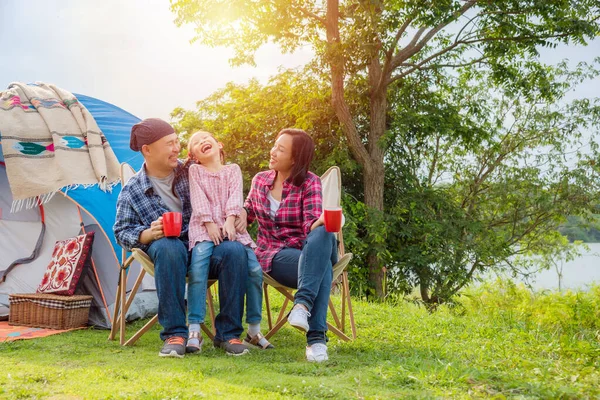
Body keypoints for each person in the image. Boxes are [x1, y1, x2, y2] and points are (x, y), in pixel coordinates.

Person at [114, 118, 250, 358]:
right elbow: (122, 232)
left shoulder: (193, 170)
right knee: (168, 246)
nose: (177, 148)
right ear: (147, 150)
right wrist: (148, 233)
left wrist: (242, 211)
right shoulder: (133, 189)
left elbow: (227, 183)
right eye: (169, 144)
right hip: (169, 256)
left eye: (177, 141)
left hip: (205, 246)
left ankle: (228, 334)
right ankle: (175, 333)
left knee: (235, 251)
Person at [238, 128, 338, 362]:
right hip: (272, 256)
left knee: (324, 231)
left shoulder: (310, 182)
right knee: (322, 270)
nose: (272, 151)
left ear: (295, 158)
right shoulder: (260, 180)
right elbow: (248, 211)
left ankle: (302, 305)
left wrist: (324, 221)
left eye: (280, 149)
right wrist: (240, 213)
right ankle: (315, 340)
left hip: (305, 249)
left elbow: (310, 226)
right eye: (275, 145)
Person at [185, 130, 273, 352]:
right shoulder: (195, 171)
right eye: (196, 143)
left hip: (231, 228)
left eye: (206, 138)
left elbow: (235, 196)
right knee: (198, 268)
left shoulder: (233, 170)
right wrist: (209, 223)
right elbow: (198, 199)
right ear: (194, 156)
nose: (202, 141)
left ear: (219, 144)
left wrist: (232, 219)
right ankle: (194, 327)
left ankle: (253, 329)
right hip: (205, 229)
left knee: (254, 271)